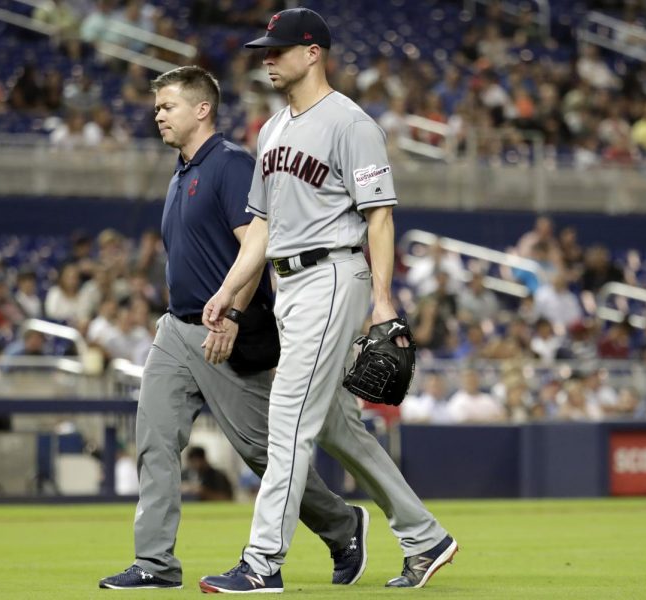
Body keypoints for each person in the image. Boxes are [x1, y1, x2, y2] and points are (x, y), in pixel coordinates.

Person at [200, 9, 456, 593]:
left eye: (279, 48)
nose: (267, 56)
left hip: (335, 274)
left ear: (313, 52)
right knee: (340, 427)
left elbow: (380, 216)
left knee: (289, 418)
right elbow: (261, 229)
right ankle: (425, 536)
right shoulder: (270, 129)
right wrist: (228, 292)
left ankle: (263, 562)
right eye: (264, 48)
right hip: (289, 285)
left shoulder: (351, 123)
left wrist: (384, 301)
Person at [97, 65, 366, 591]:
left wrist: (235, 315)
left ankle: (341, 525)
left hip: (226, 331)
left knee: (262, 452)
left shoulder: (230, 165)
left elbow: (257, 245)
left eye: (167, 106)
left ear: (202, 109)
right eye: (156, 107)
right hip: (177, 328)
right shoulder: (181, 172)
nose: (158, 115)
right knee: (153, 439)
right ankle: (155, 561)